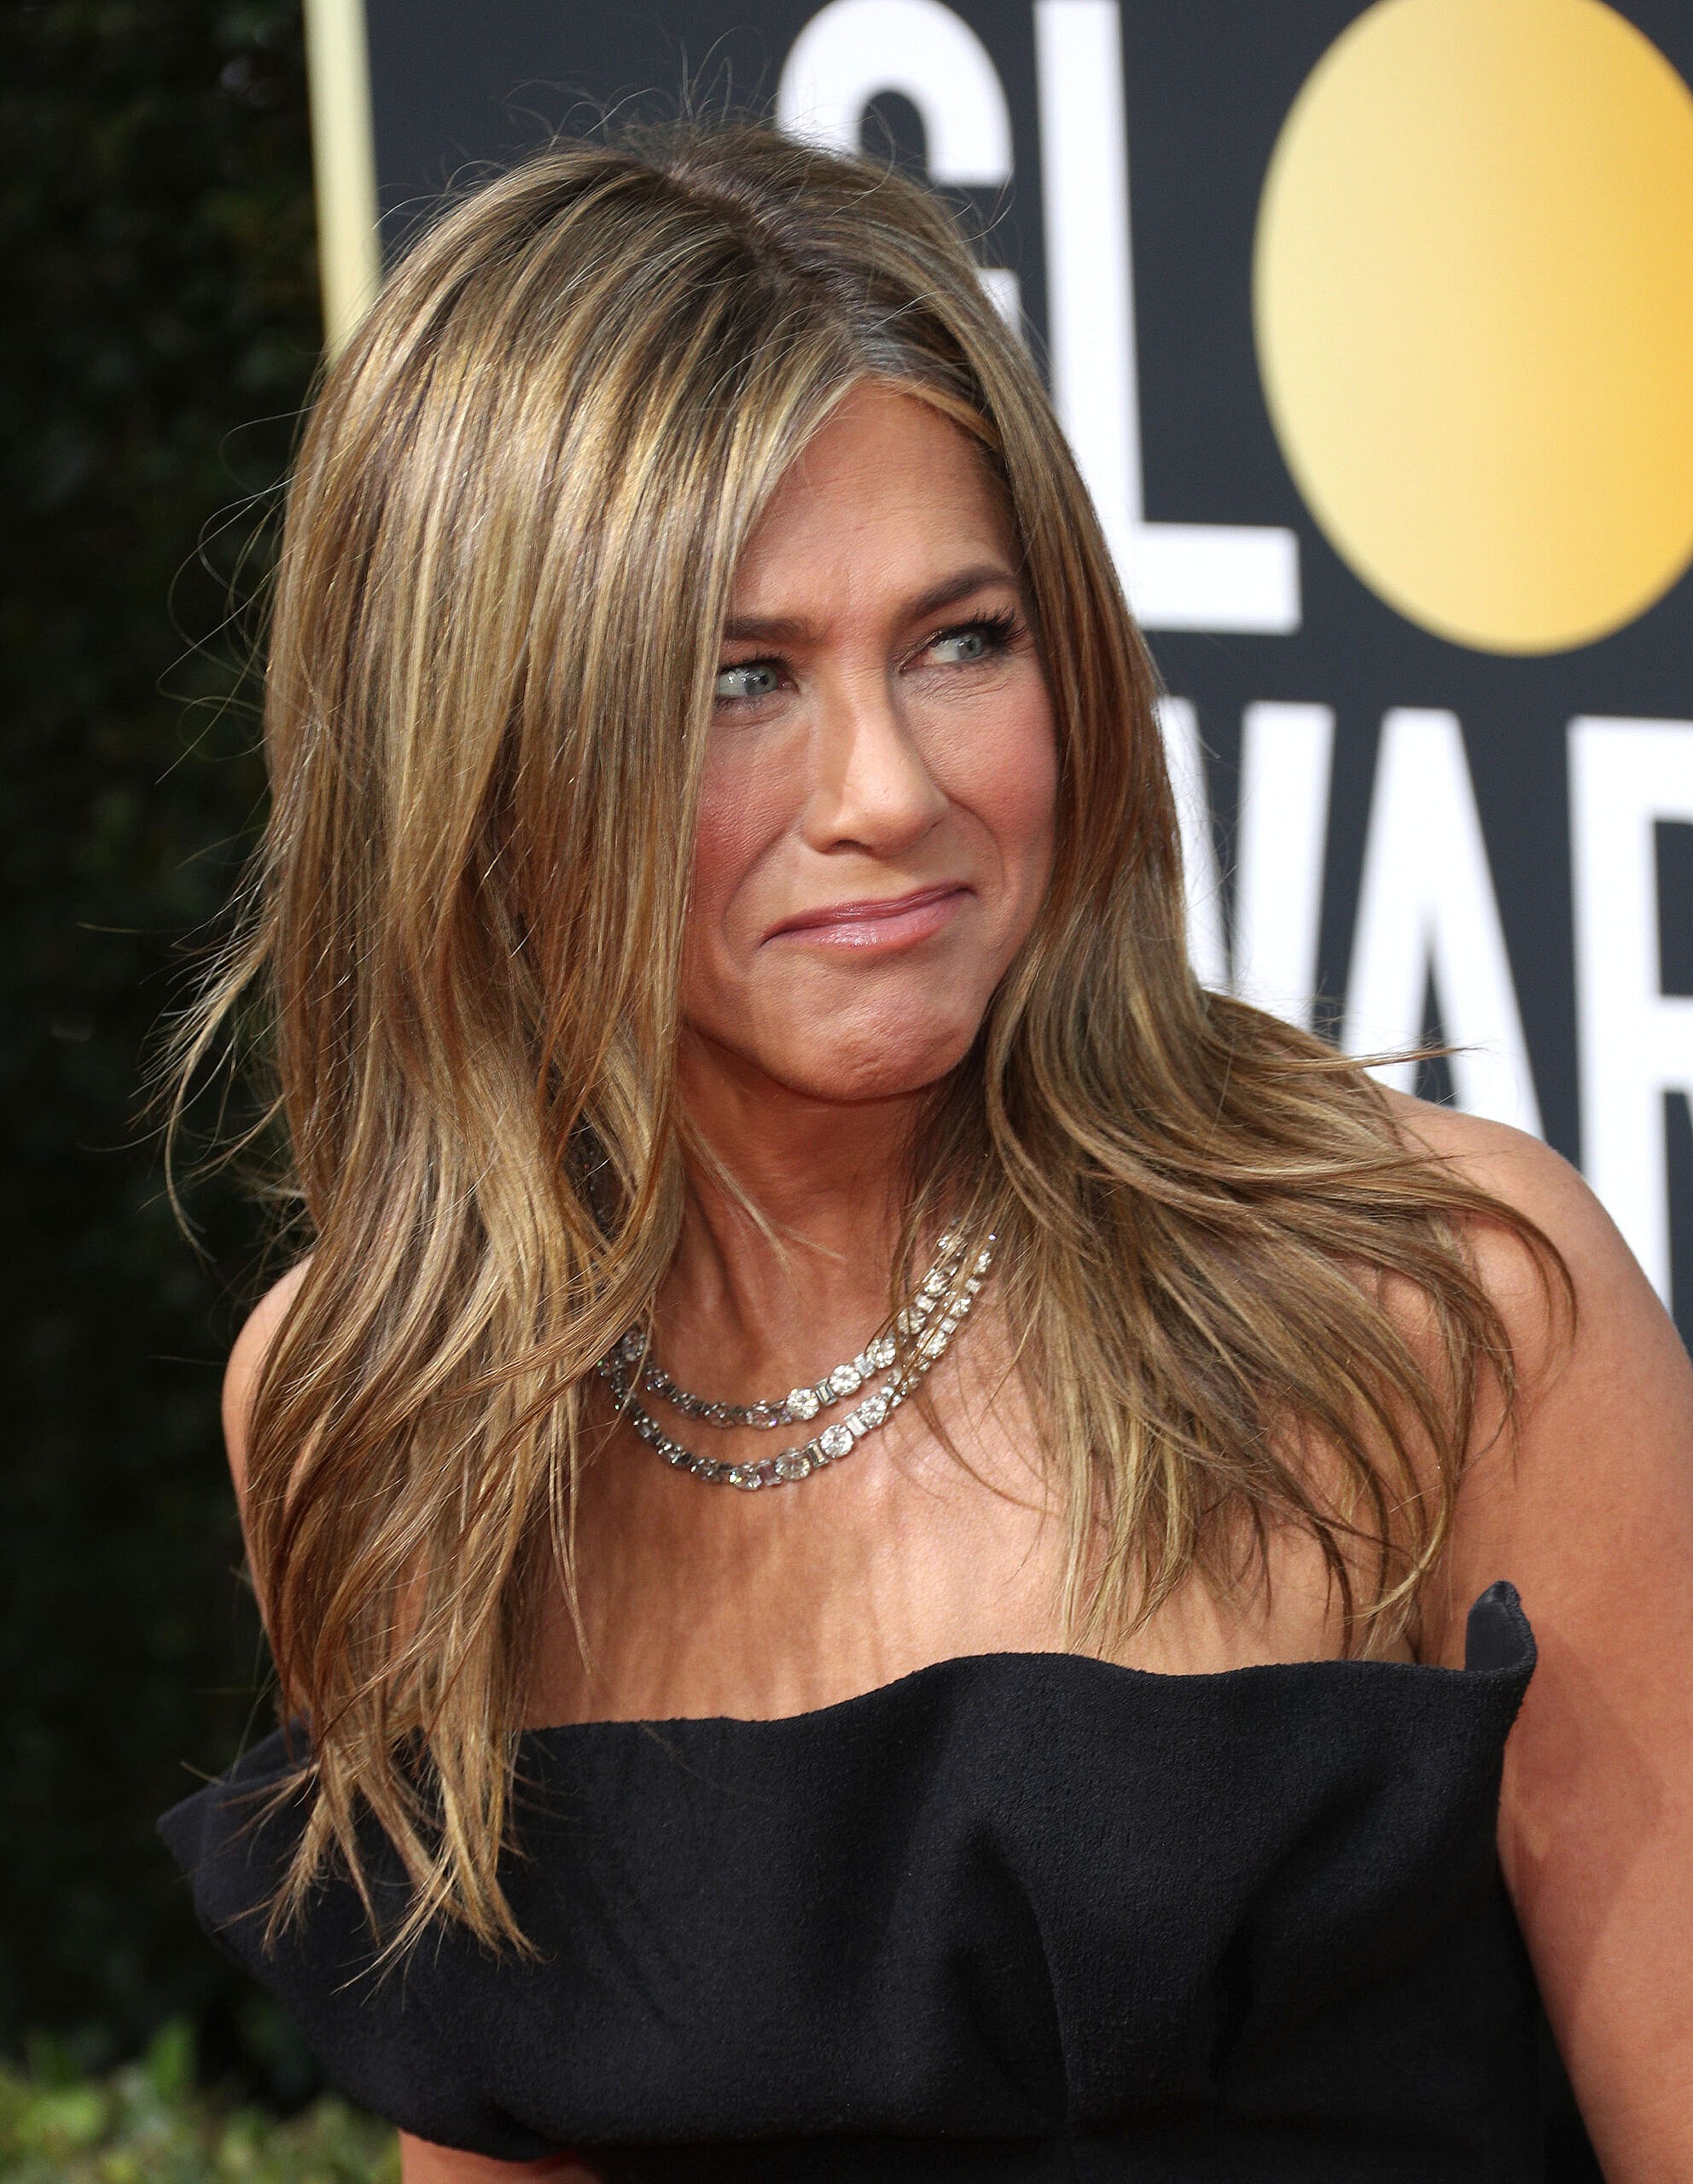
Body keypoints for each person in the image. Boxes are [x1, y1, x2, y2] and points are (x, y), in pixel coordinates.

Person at [160, 122, 1693, 2182]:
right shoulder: (385, 1413)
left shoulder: (1434, 1305)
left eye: (962, 639)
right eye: (740, 678)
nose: (884, 787)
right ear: (490, 749)